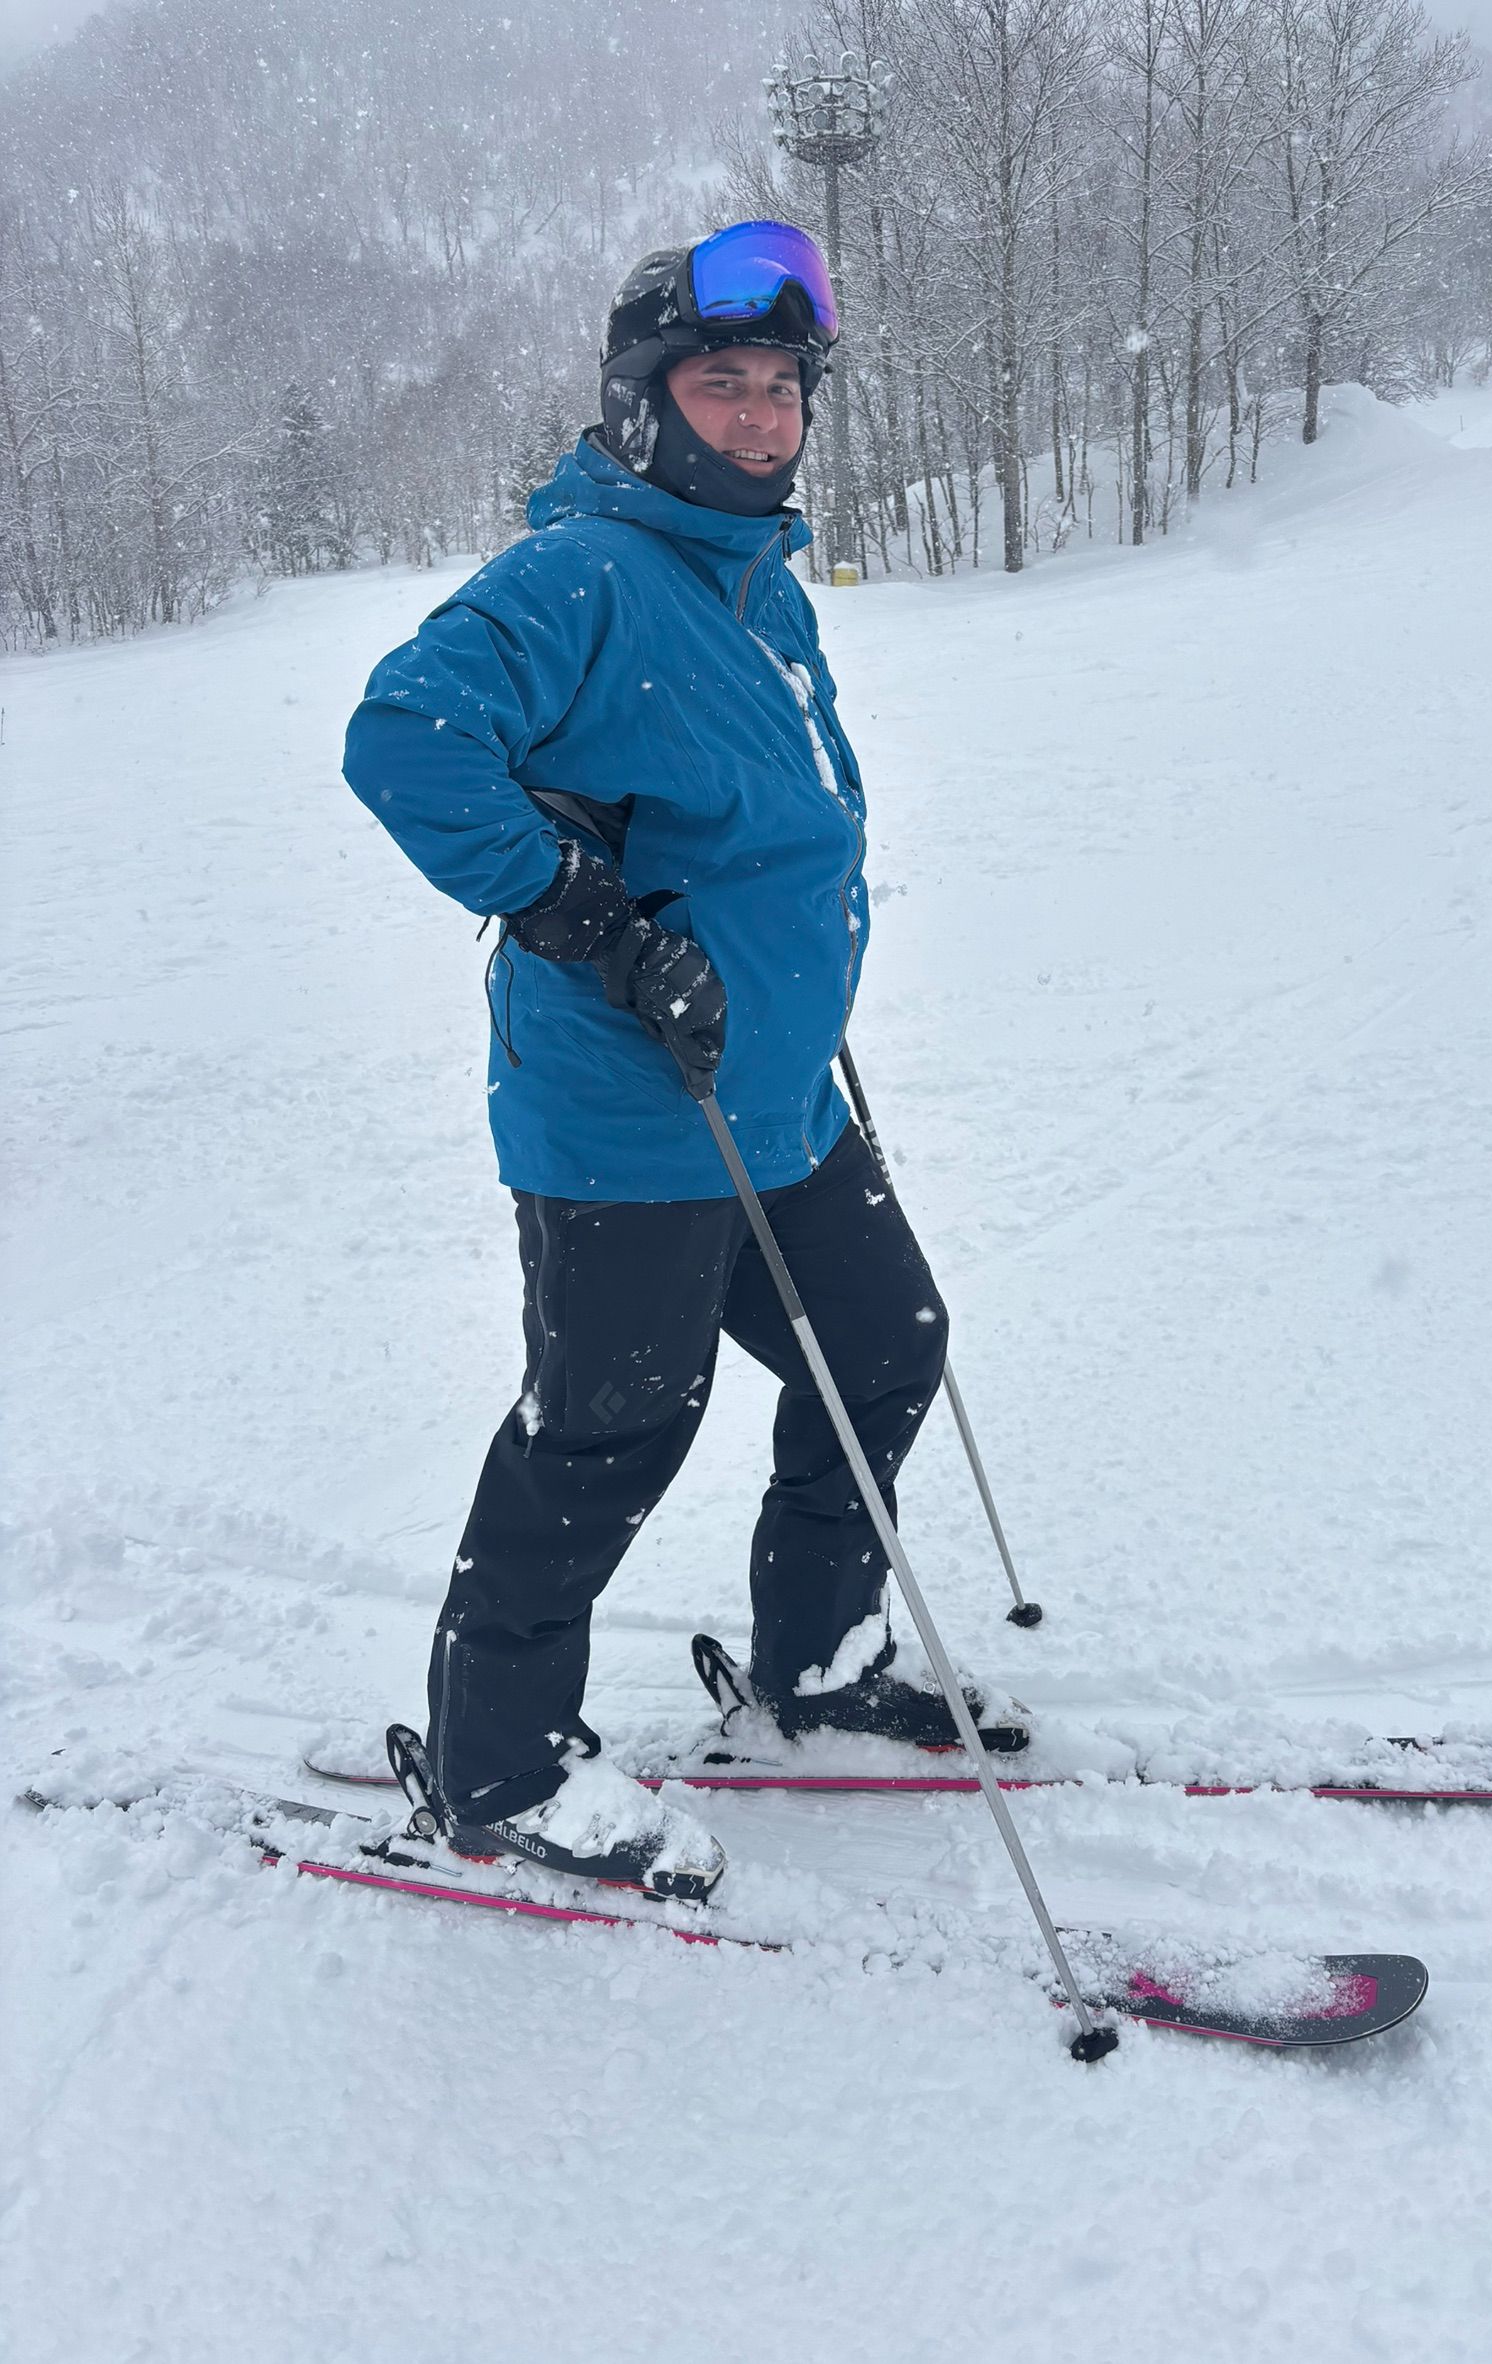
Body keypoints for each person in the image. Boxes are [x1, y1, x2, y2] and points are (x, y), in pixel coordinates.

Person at [342, 221, 1022, 1892]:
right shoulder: (579, 575)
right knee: (605, 1434)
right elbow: (404, 737)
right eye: (723, 382)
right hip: (626, 1113)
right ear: (645, 404)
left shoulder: (754, 579)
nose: (761, 414)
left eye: (782, 386)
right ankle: (498, 1772)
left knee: (883, 1352)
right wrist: (580, 910)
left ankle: (815, 1667)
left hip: (775, 1093)